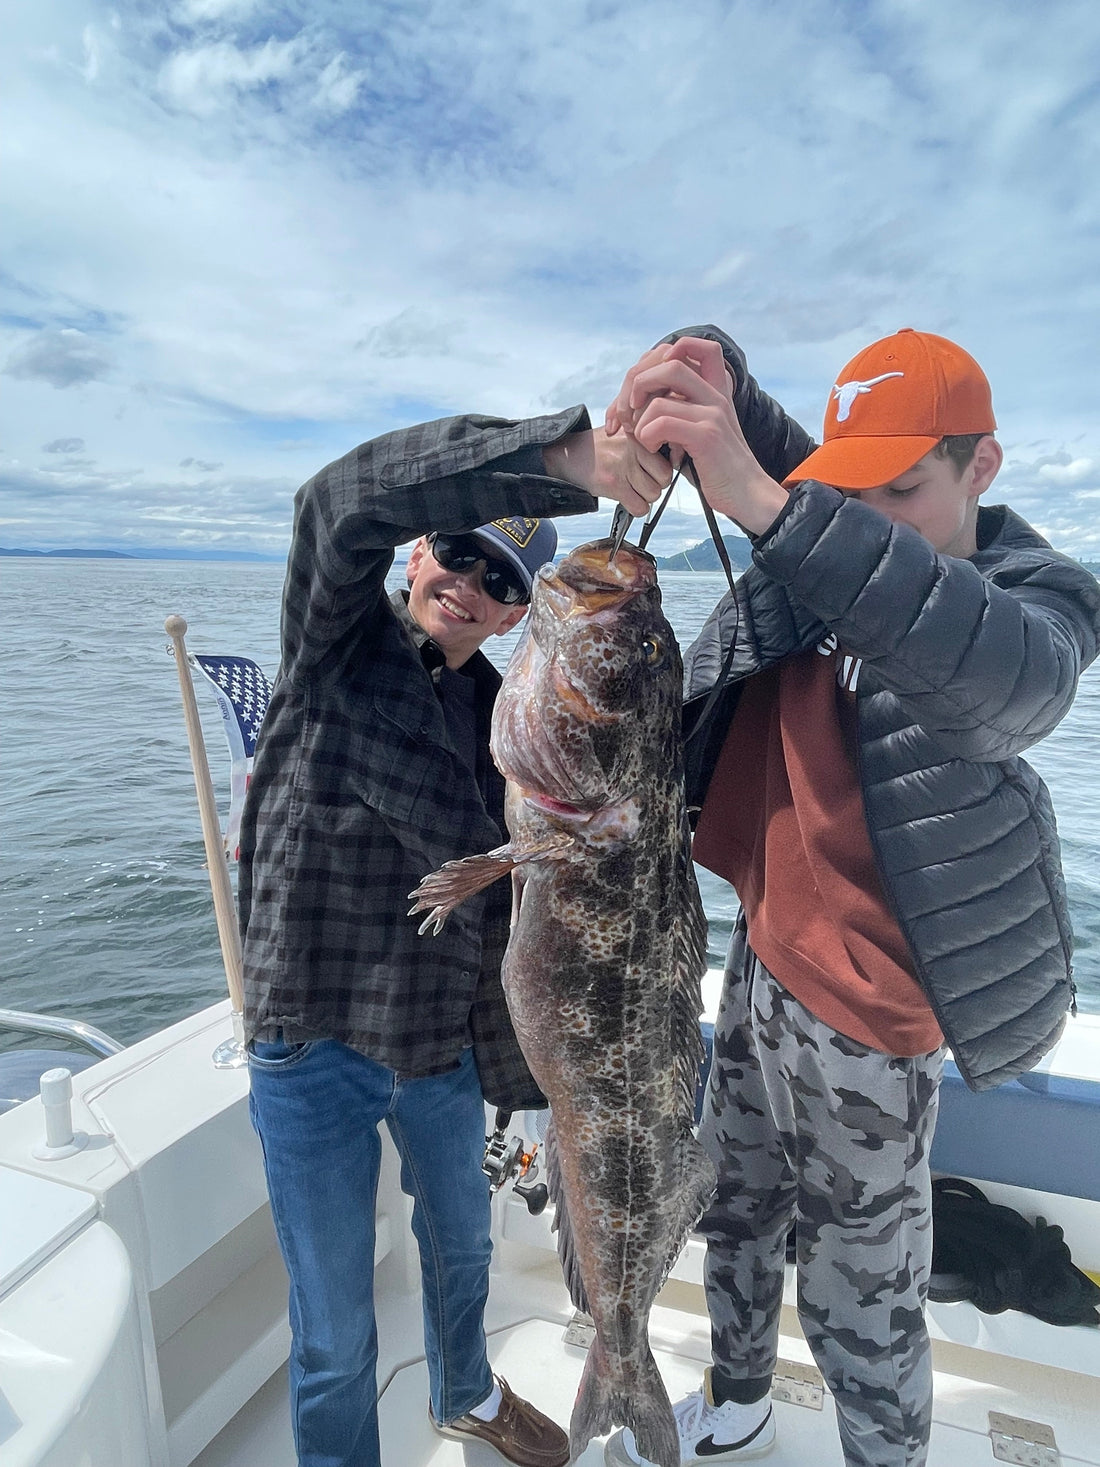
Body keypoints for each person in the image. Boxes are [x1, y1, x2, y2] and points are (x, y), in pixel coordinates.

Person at [600, 326, 1100, 1467]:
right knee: (730, 1207)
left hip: (872, 1011)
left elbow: (1009, 680)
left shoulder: (1036, 601)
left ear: (981, 466)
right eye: (849, 486)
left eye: (903, 486)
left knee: (858, 1289)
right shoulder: (838, 518)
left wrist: (763, 501)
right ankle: (737, 1402)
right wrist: (711, 367)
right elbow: (789, 463)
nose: (869, 512)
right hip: (762, 957)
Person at [237, 406, 672, 1467]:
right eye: (461, 554)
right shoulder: (334, 645)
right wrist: (566, 459)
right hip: (315, 1040)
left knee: (464, 1254)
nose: (471, 586)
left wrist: (529, 1077)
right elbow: (335, 505)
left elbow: (526, 901)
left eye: (503, 581)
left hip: (438, 1047)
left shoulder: (506, 716)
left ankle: (466, 1393)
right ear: (420, 549)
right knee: (335, 1329)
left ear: (521, 613)